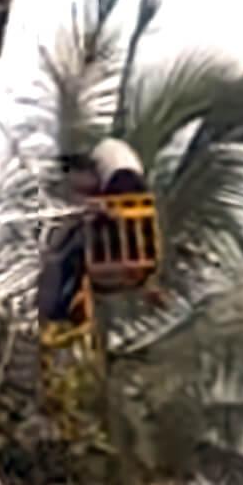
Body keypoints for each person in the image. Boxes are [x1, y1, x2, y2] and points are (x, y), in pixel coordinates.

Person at [37, 137, 161, 336]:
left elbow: (89, 187)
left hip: (121, 184)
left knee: (75, 252)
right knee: (95, 246)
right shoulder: (116, 155)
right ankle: (64, 306)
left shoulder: (103, 157)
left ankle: (59, 310)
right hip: (132, 188)